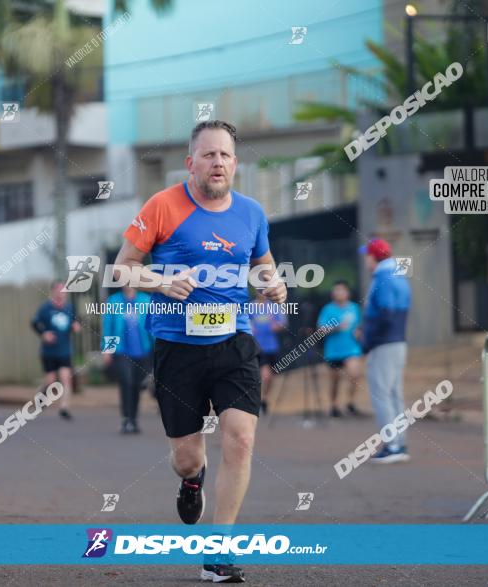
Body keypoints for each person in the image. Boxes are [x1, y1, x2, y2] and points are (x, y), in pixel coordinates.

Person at [114, 119, 286, 584]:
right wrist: (161, 281)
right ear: (191, 163)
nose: (217, 162)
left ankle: (218, 553)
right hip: (176, 347)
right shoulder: (162, 206)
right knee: (187, 456)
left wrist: (273, 284)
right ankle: (192, 480)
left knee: (241, 438)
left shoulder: (251, 213)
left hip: (235, 342)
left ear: (235, 163)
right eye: (208, 155)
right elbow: (123, 269)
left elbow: (264, 264)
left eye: (225, 155)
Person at [360, 238, 411, 464]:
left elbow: (385, 314)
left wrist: (368, 340)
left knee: (381, 394)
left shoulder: (383, 278)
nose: (365, 259)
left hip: (384, 343)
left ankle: (392, 446)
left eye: (367, 255)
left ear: (373, 257)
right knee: (394, 394)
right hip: (397, 341)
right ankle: (398, 443)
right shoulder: (398, 276)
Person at [102, 286, 153, 434]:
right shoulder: (113, 301)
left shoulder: (146, 299)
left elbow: (152, 326)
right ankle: (125, 420)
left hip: (143, 350)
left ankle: (134, 420)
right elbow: (108, 327)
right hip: (121, 351)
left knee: (137, 386)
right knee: (126, 382)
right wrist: (107, 350)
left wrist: (158, 348)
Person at [31, 281, 81, 420]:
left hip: (64, 350)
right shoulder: (45, 308)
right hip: (49, 351)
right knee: (51, 382)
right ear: (53, 291)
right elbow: (34, 323)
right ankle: (40, 399)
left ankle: (64, 408)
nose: (61, 293)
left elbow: (74, 323)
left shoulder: (70, 308)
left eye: (64, 290)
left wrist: (75, 327)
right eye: (58, 290)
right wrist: (44, 334)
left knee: (66, 379)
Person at [316, 280, 365, 417]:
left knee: (355, 373)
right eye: (336, 290)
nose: (338, 293)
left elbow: (360, 326)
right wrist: (336, 328)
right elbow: (321, 329)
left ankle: (350, 402)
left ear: (347, 292)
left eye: (341, 290)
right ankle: (334, 405)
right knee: (334, 380)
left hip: (352, 349)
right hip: (333, 351)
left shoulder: (354, 308)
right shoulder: (328, 309)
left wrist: (359, 332)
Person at [248, 291, 286, 415]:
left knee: (272, 377)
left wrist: (276, 325)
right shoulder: (250, 306)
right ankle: (258, 399)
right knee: (265, 374)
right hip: (256, 346)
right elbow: (244, 322)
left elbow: (282, 323)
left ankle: (264, 399)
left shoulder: (273, 306)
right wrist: (250, 327)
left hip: (272, 347)